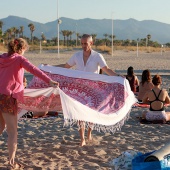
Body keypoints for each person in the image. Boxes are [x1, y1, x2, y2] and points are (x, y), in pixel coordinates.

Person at [0, 38, 59, 169]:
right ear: (22, 49)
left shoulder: (1, 57)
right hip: (8, 97)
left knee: (1, 127)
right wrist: (49, 81)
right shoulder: (19, 59)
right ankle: (11, 162)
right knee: (12, 131)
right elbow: (34, 70)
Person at [64, 34, 120, 146]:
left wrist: (118, 76)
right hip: (79, 89)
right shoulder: (77, 55)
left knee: (91, 113)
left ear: (91, 43)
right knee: (79, 114)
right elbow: (66, 66)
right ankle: (82, 139)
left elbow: (106, 69)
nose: (84, 46)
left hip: (94, 89)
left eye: (86, 43)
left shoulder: (97, 56)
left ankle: (89, 132)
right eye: (82, 43)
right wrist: (49, 67)